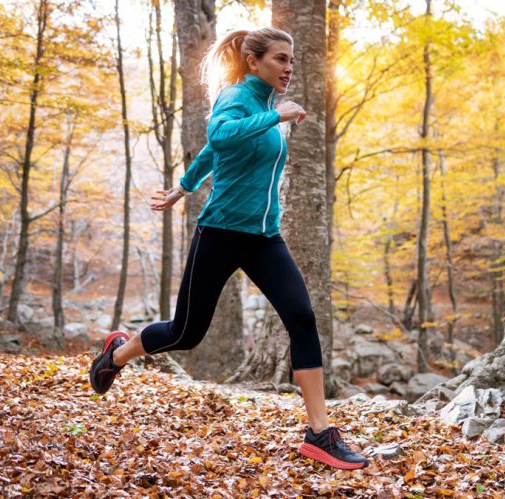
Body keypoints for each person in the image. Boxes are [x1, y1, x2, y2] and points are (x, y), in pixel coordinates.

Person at [89, 27, 368, 471]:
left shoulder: (264, 105)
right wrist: (274, 119)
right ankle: (117, 353)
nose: (289, 68)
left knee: (302, 317)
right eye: (280, 59)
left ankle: (319, 432)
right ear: (253, 61)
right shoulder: (236, 97)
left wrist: (181, 187)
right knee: (186, 332)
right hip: (220, 232)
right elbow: (220, 137)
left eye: (291, 60)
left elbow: (212, 155)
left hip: (264, 238)